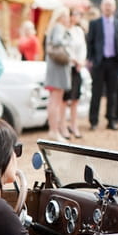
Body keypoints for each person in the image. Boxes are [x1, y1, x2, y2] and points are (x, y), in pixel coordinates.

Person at [86, 0, 118, 131]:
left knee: (112, 93)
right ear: (102, 7)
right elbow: (90, 42)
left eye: (110, 5)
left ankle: (111, 120)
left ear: (114, 8)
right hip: (99, 62)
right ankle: (93, 121)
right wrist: (90, 58)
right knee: (96, 92)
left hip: (114, 62)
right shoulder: (95, 23)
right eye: (106, 5)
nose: (108, 7)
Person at [44, 7, 72, 141]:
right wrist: (68, 43)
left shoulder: (53, 28)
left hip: (54, 69)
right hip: (58, 69)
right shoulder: (59, 28)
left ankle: (53, 130)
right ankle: (54, 130)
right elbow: (58, 41)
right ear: (61, 17)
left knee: (53, 101)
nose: (68, 19)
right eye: (66, 16)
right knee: (56, 101)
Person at [62, 9, 87, 139]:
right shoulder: (65, 31)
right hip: (67, 67)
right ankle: (63, 125)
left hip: (77, 68)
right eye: (76, 14)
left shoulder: (79, 31)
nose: (78, 16)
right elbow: (65, 49)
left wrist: (81, 61)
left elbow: (83, 48)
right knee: (65, 99)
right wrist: (74, 60)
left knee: (75, 98)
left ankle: (74, 125)